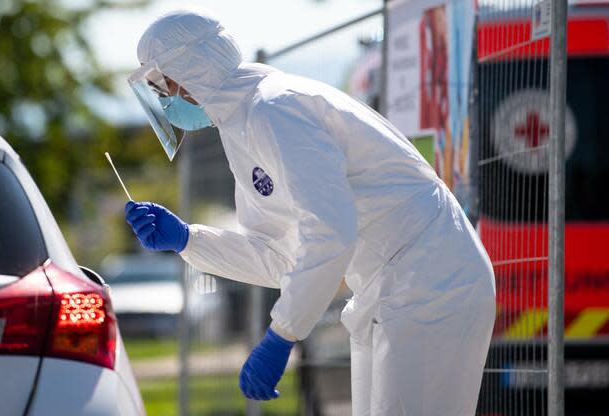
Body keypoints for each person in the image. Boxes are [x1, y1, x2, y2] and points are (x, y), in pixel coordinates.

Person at [124, 9, 496, 416]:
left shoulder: (274, 109)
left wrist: (283, 334)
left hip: (432, 282)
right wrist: (190, 240)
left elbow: (331, 232)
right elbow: (283, 257)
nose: (163, 98)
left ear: (192, 66)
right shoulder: (242, 123)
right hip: (394, 287)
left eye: (163, 82)